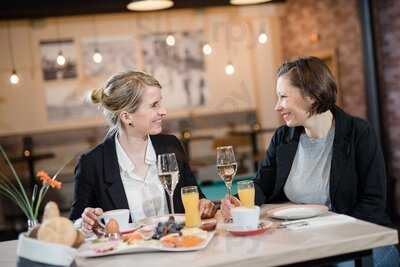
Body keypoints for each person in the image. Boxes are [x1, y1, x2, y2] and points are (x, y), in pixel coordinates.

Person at [222, 57, 399, 266]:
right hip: (304, 240)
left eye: (283, 97)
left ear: (311, 96)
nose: (277, 106)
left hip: (357, 242)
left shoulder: (358, 134)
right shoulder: (283, 137)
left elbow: (373, 203)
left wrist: (331, 238)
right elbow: (262, 184)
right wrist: (239, 201)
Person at [70, 71, 216, 232]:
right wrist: (85, 221)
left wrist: (204, 204)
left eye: (160, 103)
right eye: (154, 105)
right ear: (126, 117)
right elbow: (75, 224)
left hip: (178, 248)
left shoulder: (172, 146)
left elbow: (196, 197)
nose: (163, 111)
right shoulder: (92, 164)